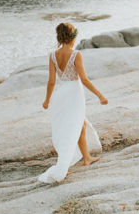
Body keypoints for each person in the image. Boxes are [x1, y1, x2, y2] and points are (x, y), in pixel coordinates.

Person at [38, 22, 107, 183]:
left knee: (78, 125)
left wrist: (47, 99)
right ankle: (64, 166)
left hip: (61, 95)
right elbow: (84, 79)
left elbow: (51, 81)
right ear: (73, 37)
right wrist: (100, 95)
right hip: (74, 94)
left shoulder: (53, 55)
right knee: (72, 128)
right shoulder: (76, 55)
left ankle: (87, 157)